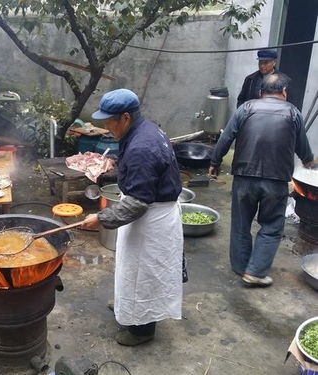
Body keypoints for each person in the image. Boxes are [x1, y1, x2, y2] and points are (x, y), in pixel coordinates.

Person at [82, 89, 183, 346]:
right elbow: (140, 171)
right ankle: (127, 305)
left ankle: (142, 331)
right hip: (150, 213)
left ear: (125, 117)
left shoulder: (142, 146)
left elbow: (138, 203)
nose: (105, 127)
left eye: (108, 121)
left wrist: (101, 218)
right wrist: (112, 167)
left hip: (152, 219)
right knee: (132, 270)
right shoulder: (144, 129)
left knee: (144, 276)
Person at [209, 74, 315, 287]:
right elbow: (303, 149)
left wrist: (215, 162)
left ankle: (241, 267)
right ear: (284, 91)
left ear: (260, 92)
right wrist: (309, 161)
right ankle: (255, 271)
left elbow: (226, 137)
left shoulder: (246, 109)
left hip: (244, 177)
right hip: (275, 181)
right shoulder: (294, 113)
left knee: (241, 223)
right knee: (272, 226)